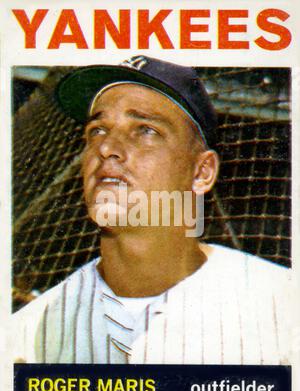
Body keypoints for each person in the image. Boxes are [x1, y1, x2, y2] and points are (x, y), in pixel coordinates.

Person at [13, 55, 291, 365]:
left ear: (202, 172)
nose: (107, 148)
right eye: (97, 130)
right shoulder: (25, 338)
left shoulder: (283, 307)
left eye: (145, 130)